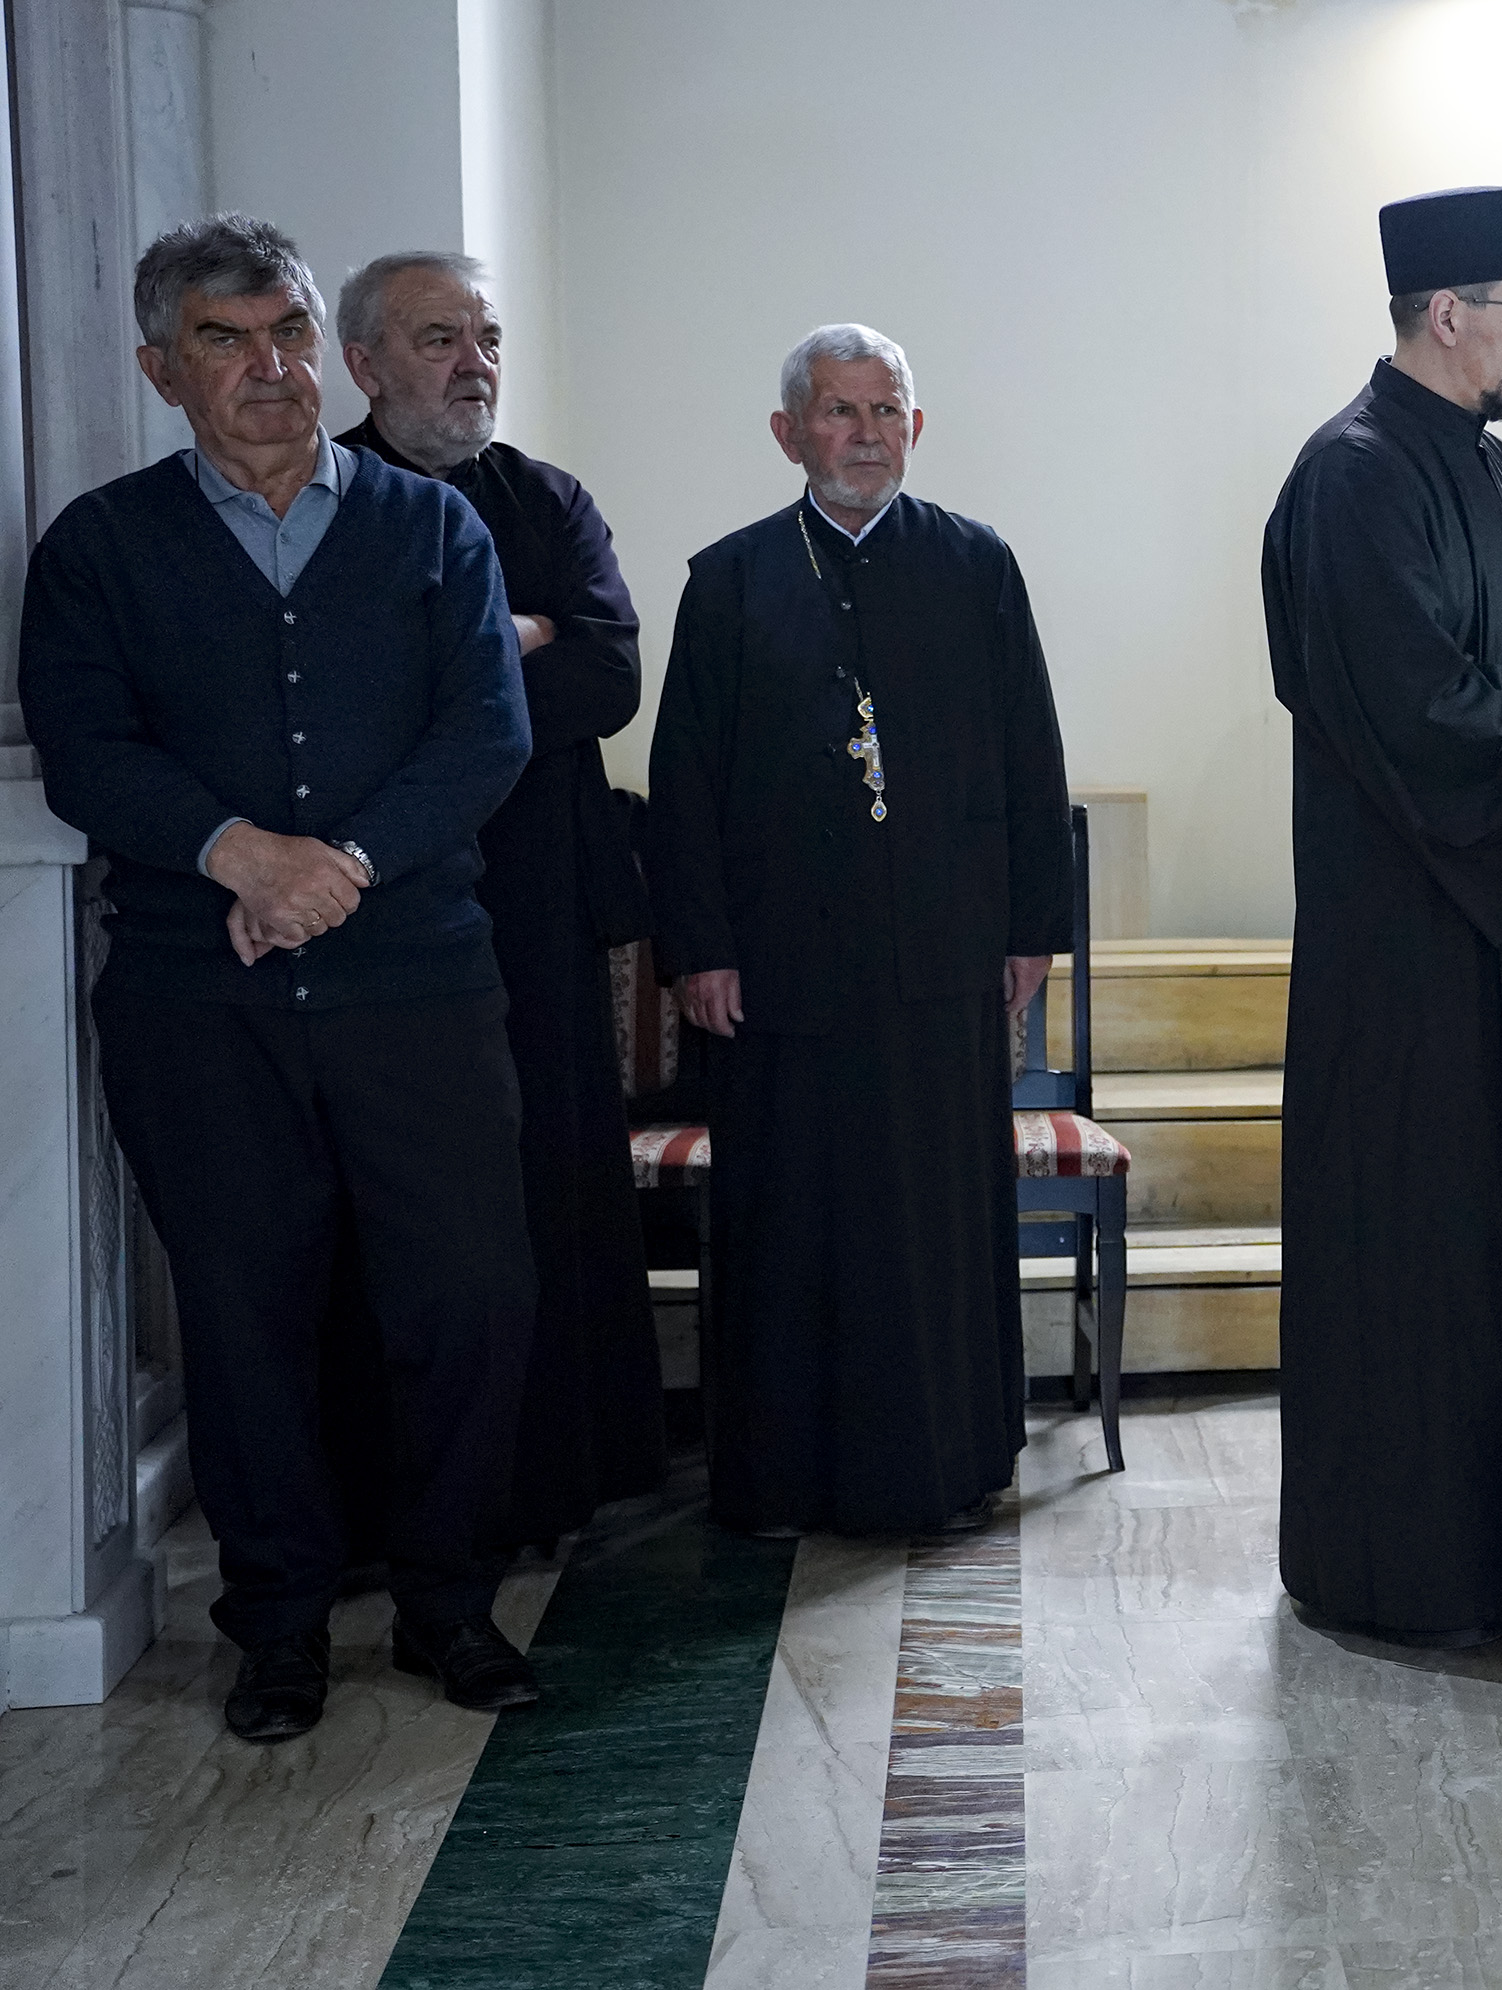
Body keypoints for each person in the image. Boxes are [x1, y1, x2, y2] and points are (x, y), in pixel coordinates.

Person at [21, 216, 540, 1741]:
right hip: (199, 1003)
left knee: (468, 1296)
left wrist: (344, 868)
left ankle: (450, 1600)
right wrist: (242, 855)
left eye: (291, 334)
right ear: (161, 369)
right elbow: (87, 750)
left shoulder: (434, 530)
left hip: (420, 986)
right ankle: (281, 1623)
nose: (270, 369)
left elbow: (487, 733)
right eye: (227, 340)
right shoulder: (100, 548)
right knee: (245, 1319)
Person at [1261, 186, 1502, 1644]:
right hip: (1408, 964)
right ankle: (1403, 1573)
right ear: (1445, 314)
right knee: (1419, 1270)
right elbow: (1416, 709)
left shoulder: (1495, 473)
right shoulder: (1350, 478)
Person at [646, 324, 1071, 1539]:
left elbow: (1030, 753)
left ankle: (940, 1468)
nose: (867, 435)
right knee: (790, 1225)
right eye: (840, 412)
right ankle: (782, 1477)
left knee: (930, 1227)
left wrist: (1031, 928)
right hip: (778, 970)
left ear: (915, 428)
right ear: (790, 434)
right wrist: (700, 946)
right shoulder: (729, 581)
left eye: (887, 412)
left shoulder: (976, 565)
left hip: (942, 957)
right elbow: (685, 781)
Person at [336, 250, 665, 1548]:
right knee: (406, 1207)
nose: (474, 364)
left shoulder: (547, 499)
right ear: (363, 365)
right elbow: (348, 704)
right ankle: (408, 1505)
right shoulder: (328, 498)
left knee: (549, 1182)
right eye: (439, 340)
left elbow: (609, 679)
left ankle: (558, 1478)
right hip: (381, 907)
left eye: (486, 338)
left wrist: (462, 663)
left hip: (537, 897)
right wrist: (514, 638)